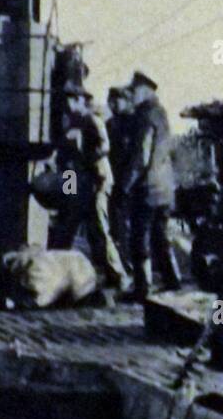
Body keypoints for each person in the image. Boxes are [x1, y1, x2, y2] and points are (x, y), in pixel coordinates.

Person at [48, 85, 131, 292]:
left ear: (80, 100)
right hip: (77, 181)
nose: (67, 105)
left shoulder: (92, 120)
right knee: (65, 225)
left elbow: (105, 147)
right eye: (66, 100)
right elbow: (66, 157)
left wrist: (86, 161)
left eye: (71, 100)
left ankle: (118, 276)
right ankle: (54, 273)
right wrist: (67, 190)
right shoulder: (70, 122)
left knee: (99, 230)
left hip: (96, 181)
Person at [120, 71, 181, 295]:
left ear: (145, 91)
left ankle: (142, 286)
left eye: (133, 91)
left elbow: (141, 157)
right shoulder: (162, 113)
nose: (131, 95)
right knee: (161, 236)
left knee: (140, 238)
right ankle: (173, 279)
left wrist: (124, 186)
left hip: (147, 188)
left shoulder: (144, 116)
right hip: (165, 188)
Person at [105, 86, 135, 253]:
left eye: (116, 101)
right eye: (110, 101)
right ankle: (119, 255)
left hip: (129, 180)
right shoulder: (110, 124)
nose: (112, 105)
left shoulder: (134, 122)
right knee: (115, 221)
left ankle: (128, 257)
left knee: (129, 222)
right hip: (113, 179)